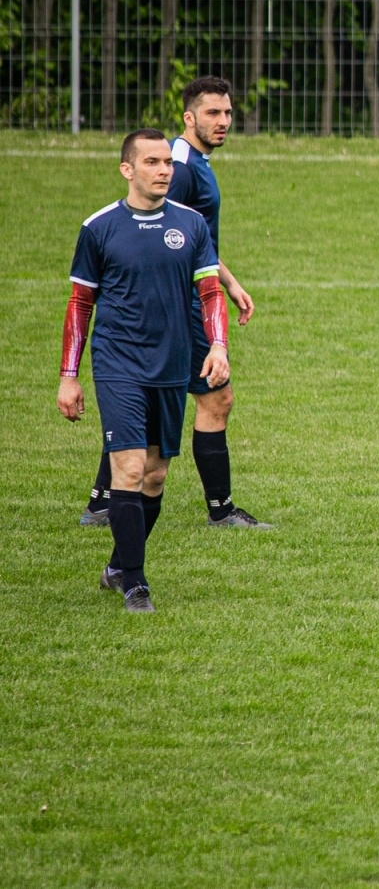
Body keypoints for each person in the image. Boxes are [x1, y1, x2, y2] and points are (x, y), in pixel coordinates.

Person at [80, 76, 269, 529]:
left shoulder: (192, 161)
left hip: (187, 297)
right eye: (212, 114)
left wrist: (229, 281)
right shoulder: (180, 167)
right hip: (180, 305)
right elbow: (160, 228)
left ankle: (103, 500)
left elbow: (190, 236)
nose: (223, 122)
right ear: (189, 117)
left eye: (227, 113)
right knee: (213, 398)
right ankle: (219, 512)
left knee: (156, 400)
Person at [57, 129, 230, 613]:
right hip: (118, 364)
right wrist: (69, 376)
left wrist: (217, 345)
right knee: (129, 467)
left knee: (154, 476)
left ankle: (117, 565)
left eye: (166, 163)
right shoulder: (99, 227)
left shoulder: (191, 225)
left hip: (173, 363)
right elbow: (79, 305)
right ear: (127, 169)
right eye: (151, 162)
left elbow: (210, 292)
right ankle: (136, 582)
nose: (163, 170)